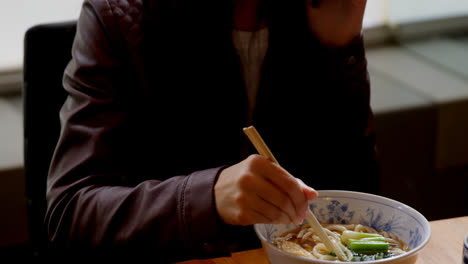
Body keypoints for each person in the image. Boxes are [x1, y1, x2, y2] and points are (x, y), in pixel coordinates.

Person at [45, 0, 379, 262]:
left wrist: (341, 51)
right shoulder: (119, 15)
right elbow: (70, 211)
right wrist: (208, 198)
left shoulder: (315, 11)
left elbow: (357, 197)